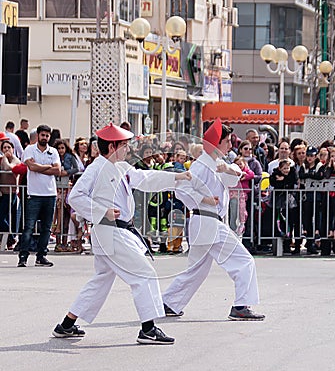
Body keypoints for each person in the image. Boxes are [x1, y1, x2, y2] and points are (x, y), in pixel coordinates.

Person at [52, 123, 191, 344]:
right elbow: (75, 197)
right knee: (144, 274)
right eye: (125, 144)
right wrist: (101, 211)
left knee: (101, 280)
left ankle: (66, 324)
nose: (128, 148)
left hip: (115, 232)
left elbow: (145, 179)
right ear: (113, 146)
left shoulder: (122, 167)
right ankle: (148, 328)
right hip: (111, 231)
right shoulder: (96, 168)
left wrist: (176, 178)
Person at [162, 118, 265, 321]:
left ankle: (169, 303)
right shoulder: (202, 165)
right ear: (218, 143)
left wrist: (228, 169)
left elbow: (236, 173)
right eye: (227, 142)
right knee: (244, 261)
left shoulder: (215, 163)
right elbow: (182, 189)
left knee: (196, 270)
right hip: (208, 221)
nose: (230, 145)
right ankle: (241, 305)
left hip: (206, 222)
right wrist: (203, 199)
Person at [18, 125, 61, 267]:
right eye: (43, 135)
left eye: (47, 136)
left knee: (46, 228)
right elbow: (31, 167)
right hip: (34, 194)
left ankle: (41, 256)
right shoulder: (30, 149)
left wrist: (39, 167)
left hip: (50, 194)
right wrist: (47, 167)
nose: (45, 138)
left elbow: (57, 170)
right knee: (29, 226)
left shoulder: (53, 151)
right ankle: (23, 256)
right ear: (38, 135)